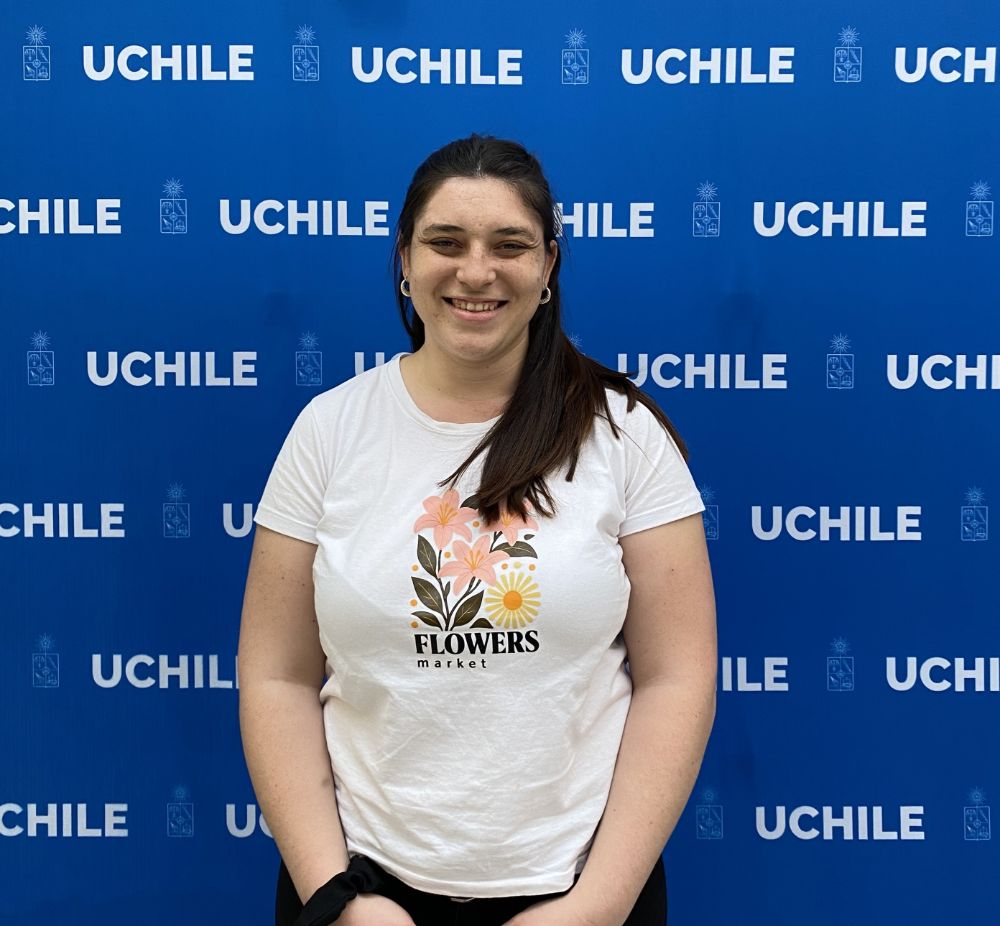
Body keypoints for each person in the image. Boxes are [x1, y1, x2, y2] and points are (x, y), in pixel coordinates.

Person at [239, 134, 717, 926]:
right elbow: (276, 678)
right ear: (404, 259)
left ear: (549, 266)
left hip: (577, 897)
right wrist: (337, 897)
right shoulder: (328, 432)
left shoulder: (624, 433)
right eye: (446, 242)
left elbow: (678, 677)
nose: (476, 271)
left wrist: (598, 905)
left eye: (509, 245)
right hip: (364, 898)